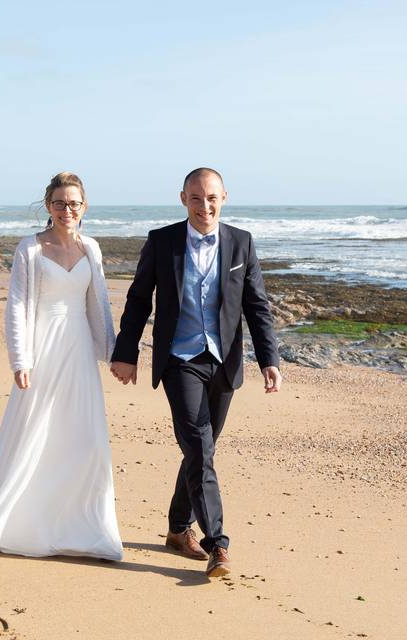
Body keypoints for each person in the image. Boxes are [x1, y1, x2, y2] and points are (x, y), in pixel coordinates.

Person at [110, 167, 281, 577]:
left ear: (224, 198)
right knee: (200, 448)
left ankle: (175, 528)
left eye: (211, 198)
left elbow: (257, 306)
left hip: (224, 361)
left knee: (199, 450)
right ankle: (218, 543)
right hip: (179, 360)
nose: (204, 206)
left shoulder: (241, 243)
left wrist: (269, 359)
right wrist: (125, 352)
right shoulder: (162, 241)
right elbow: (138, 300)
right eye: (196, 198)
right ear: (183, 199)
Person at [0, 172, 123, 561]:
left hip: (79, 349)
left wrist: (113, 353)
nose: (67, 210)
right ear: (48, 206)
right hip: (42, 348)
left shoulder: (92, 249)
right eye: (59, 203)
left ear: (85, 207)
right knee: (34, 430)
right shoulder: (30, 249)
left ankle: (81, 523)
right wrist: (21, 359)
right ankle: (19, 520)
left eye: (74, 203)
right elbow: (16, 306)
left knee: (82, 436)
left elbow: (99, 305)